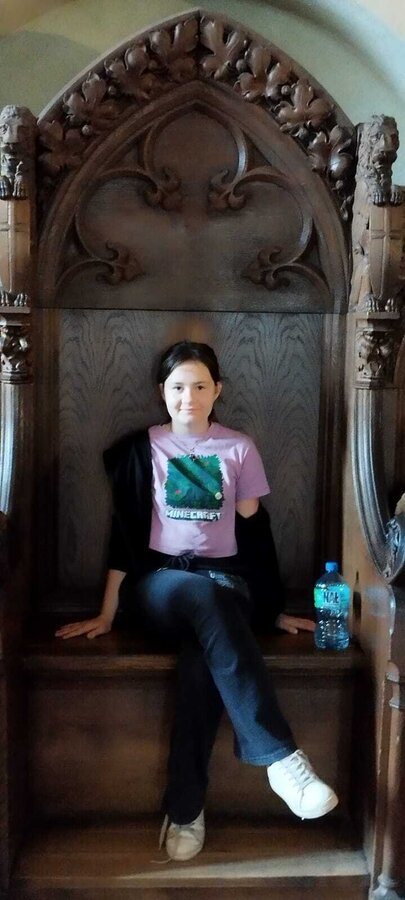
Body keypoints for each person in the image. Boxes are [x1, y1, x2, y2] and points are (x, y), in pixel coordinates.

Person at [56, 340, 338, 862]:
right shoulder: (141, 450)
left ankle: (185, 811)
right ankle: (281, 758)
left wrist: (273, 608)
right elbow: (124, 540)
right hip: (162, 583)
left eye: (201, 386)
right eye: (178, 387)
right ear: (162, 392)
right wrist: (107, 612)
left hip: (227, 585)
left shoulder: (239, 448)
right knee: (203, 595)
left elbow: (257, 536)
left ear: (218, 390)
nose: (190, 397)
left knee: (199, 662)